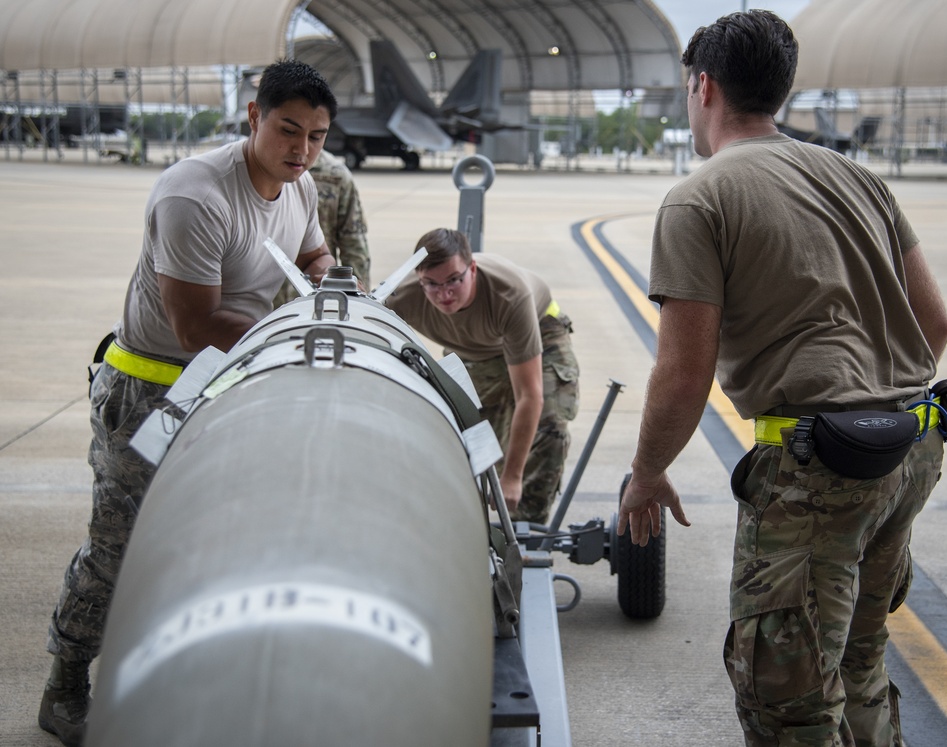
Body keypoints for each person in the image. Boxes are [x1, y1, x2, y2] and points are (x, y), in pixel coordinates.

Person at [617, 11, 947, 747]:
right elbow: (936, 325)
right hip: (909, 447)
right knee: (860, 659)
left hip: (818, 471)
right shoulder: (860, 177)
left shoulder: (700, 196)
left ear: (702, 86)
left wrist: (646, 472)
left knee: (788, 699)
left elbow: (683, 373)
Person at [39, 59, 339, 747]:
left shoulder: (301, 189)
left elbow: (314, 253)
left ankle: (191, 674)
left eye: (317, 136)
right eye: (288, 129)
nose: (301, 149)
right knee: (118, 547)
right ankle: (64, 686)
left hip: (229, 385)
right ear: (254, 117)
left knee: (222, 542)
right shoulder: (195, 194)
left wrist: (332, 281)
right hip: (151, 389)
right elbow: (195, 325)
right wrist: (294, 334)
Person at [386, 228, 579, 524]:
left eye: (454, 280)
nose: (444, 293)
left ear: (472, 269)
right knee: (476, 433)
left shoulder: (509, 295)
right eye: (431, 284)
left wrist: (514, 477)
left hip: (539, 329)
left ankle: (526, 530)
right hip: (478, 351)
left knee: (547, 426)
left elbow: (530, 395)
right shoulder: (404, 296)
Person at [273, 147, 370, 305]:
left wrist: (358, 302)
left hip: (316, 299)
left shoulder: (336, 175)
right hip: (268, 303)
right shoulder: (263, 171)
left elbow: (354, 246)